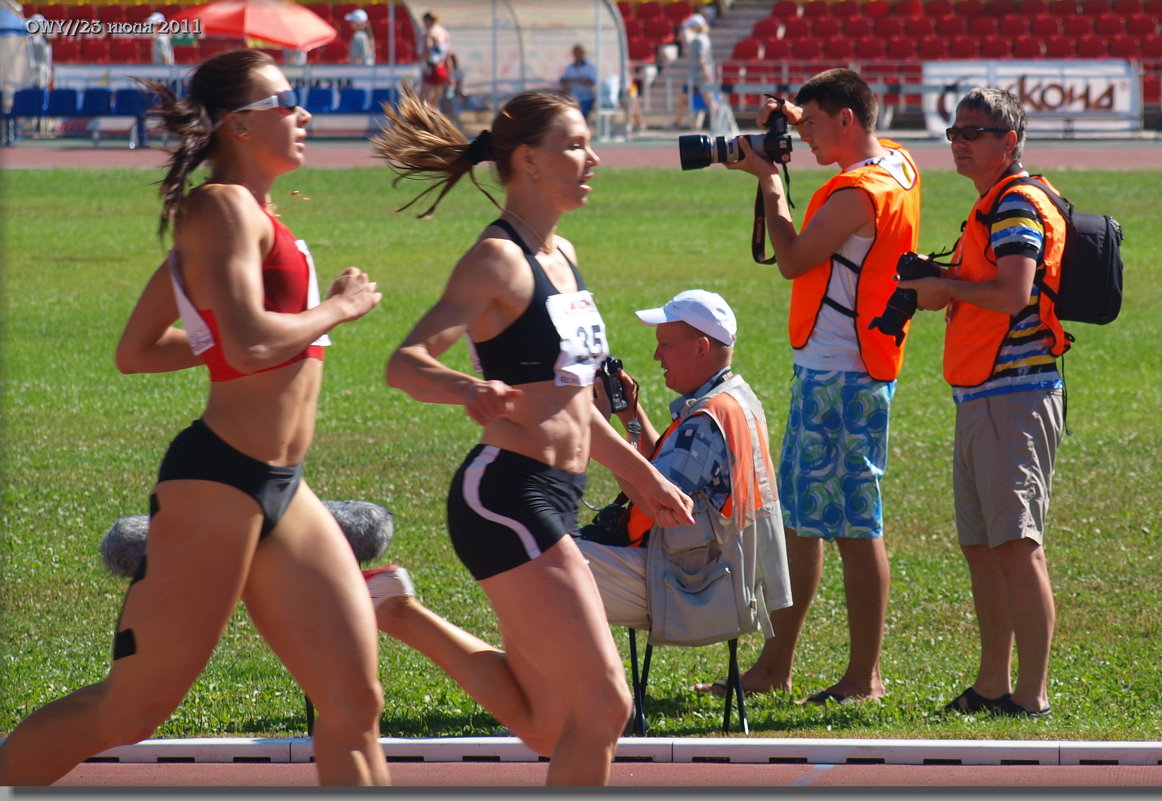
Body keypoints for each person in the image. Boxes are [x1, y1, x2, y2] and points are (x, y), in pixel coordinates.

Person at [0, 50, 389, 786]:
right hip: (217, 484)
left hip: (283, 482)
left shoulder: (249, 216)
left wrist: (221, 335)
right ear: (240, 124)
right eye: (287, 100)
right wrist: (338, 308)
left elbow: (139, 349)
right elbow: (244, 345)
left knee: (353, 698)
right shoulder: (220, 209)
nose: (303, 114)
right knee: (130, 709)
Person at [367, 85, 694, 786]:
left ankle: (397, 611)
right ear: (528, 160)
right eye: (573, 145)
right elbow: (404, 363)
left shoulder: (561, 254)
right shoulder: (497, 261)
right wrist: (468, 389)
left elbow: (575, 402)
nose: (592, 157)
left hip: (556, 491)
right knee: (605, 704)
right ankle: (394, 611)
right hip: (505, 494)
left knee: (552, 722)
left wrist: (641, 474)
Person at [695, 68, 922, 705]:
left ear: (847, 121)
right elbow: (853, 143)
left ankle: (863, 679)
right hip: (845, 367)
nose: (809, 140)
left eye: (818, 127)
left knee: (854, 526)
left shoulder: (856, 193)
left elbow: (792, 258)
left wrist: (770, 182)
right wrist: (800, 117)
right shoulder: (898, 164)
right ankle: (774, 667)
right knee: (801, 524)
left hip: (841, 374)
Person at [898, 88, 1065, 719]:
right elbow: (984, 290)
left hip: (1015, 394)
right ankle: (993, 683)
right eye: (955, 130)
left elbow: (1014, 292)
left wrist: (940, 285)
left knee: (1017, 546)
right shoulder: (992, 205)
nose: (961, 141)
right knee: (984, 548)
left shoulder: (1016, 202)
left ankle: (1031, 694)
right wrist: (943, 288)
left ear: (1010, 140)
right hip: (983, 394)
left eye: (976, 131)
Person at [576, 290, 792, 649]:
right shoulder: (733, 399)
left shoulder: (705, 422)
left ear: (701, 348)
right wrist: (630, 415)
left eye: (665, 345)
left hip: (691, 584)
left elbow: (653, 500)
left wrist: (599, 432)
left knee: (543, 561)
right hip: (720, 574)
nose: (656, 356)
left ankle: (573, 693)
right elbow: (661, 473)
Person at [673, 14, 717, 130]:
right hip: (696, 75)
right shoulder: (703, 38)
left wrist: (706, 74)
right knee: (685, 98)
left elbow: (701, 58)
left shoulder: (699, 39)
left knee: (708, 99)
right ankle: (677, 122)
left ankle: (717, 121)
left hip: (698, 76)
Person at [418, 10, 450, 109]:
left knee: (423, 101)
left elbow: (428, 50)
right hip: (442, 68)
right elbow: (447, 54)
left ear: (428, 21)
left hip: (432, 68)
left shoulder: (429, 33)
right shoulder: (444, 32)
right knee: (435, 101)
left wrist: (421, 58)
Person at [559, 44, 598, 122]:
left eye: (579, 53)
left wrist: (574, 80)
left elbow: (591, 81)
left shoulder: (590, 67)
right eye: (575, 53)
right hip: (572, 99)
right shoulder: (569, 68)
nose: (577, 55)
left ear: (583, 53)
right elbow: (563, 80)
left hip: (586, 99)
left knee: (583, 121)